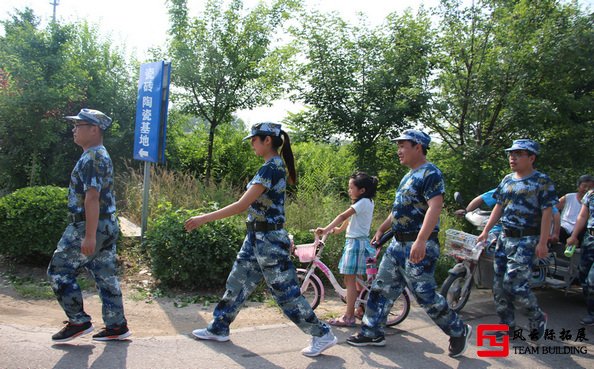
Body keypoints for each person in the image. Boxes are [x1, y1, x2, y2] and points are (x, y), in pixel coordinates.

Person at [184, 122, 337, 357]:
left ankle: (321, 333)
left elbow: (241, 205)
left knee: (285, 293)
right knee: (237, 281)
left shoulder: (271, 168)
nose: (252, 144)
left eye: (254, 139)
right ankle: (219, 327)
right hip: (256, 237)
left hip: (269, 241)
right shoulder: (270, 166)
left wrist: (203, 218)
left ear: (267, 140)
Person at [346, 129, 472, 358]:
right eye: (398, 146)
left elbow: (435, 206)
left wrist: (421, 240)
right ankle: (371, 331)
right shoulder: (408, 176)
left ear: (418, 147)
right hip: (398, 244)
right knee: (381, 288)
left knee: (424, 293)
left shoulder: (431, 174)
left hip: (418, 244)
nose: (399, 151)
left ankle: (458, 329)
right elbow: (399, 210)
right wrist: (382, 228)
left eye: (403, 146)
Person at [48, 108, 130, 342]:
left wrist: (89, 236)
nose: (74, 130)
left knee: (58, 271)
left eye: (78, 126)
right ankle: (116, 326)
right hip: (107, 224)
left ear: (94, 129)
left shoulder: (93, 157)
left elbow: (91, 197)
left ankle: (78, 321)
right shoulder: (99, 154)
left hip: (87, 226)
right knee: (105, 275)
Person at [477, 139, 558, 341]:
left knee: (514, 284)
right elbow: (498, 206)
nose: (512, 157)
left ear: (531, 158)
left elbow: (547, 212)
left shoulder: (541, 181)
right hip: (505, 238)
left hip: (527, 240)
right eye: (511, 154)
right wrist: (486, 230)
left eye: (519, 154)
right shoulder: (507, 180)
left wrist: (542, 241)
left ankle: (537, 317)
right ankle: (507, 326)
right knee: (498, 286)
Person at [315, 172, 378, 327]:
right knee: (357, 279)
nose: (349, 190)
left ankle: (348, 316)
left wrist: (325, 229)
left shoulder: (362, 203)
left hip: (355, 244)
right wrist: (337, 230)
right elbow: (350, 219)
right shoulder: (366, 202)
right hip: (359, 243)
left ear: (362, 190)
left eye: (351, 187)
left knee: (349, 280)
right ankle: (360, 309)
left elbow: (343, 216)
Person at [566, 188, 594, 325]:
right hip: (590, 239)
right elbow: (582, 216)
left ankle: (592, 313)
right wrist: (574, 235)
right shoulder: (590, 194)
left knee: (592, 279)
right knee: (583, 274)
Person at [555, 175, 594, 245]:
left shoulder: (591, 201)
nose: (586, 189)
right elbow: (552, 209)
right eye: (584, 186)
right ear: (578, 186)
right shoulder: (569, 197)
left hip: (580, 230)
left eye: (590, 187)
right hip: (564, 227)